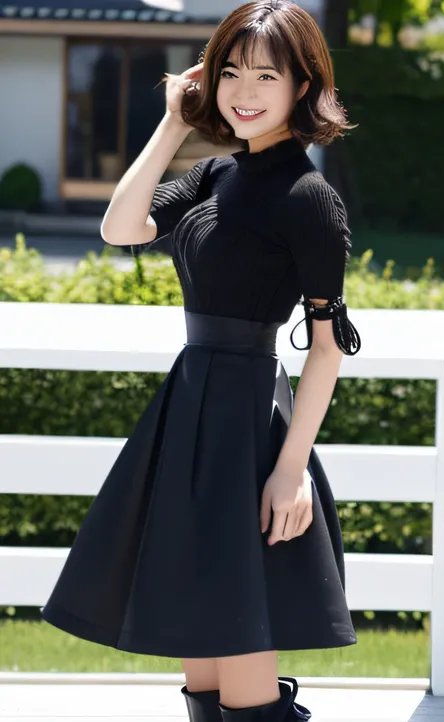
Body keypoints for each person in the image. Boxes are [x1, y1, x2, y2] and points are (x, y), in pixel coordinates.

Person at [41, 2, 362, 721]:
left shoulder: (311, 199)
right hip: (188, 414)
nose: (244, 91)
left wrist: (291, 471)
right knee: (199, 657)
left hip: (250, 426)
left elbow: (326, 349)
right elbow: (120, 226)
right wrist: (173, 122)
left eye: (266, 75)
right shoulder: (216, 174)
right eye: (230, 73)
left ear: (303, 84)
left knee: (239, 640)